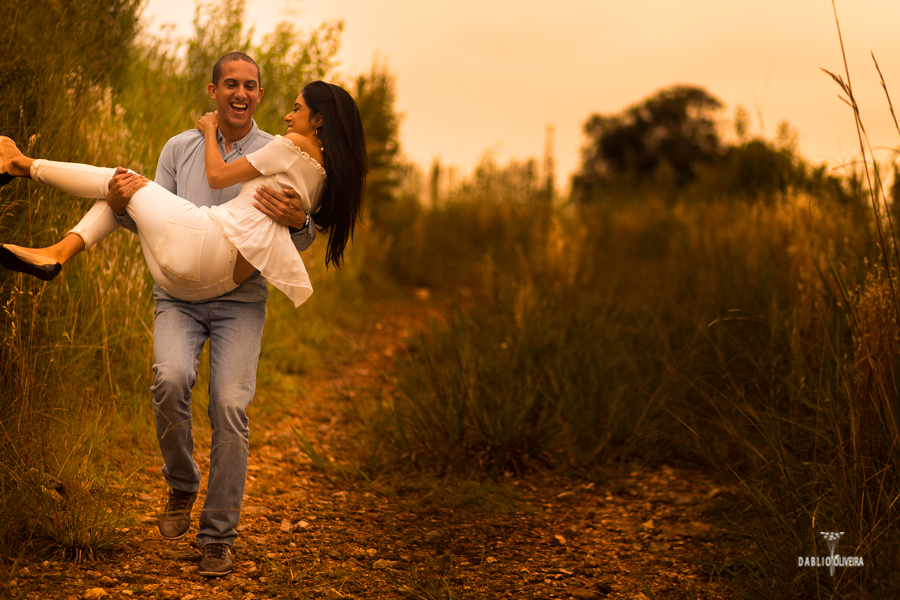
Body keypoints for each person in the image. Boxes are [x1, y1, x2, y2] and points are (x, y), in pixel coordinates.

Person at [0, 52, 366, 577]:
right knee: (168, 380)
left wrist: (301, 217)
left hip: (232, 291)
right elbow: (156, 220)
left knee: (230, 408)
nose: (245, 96)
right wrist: (135, 200)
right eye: (231, 86)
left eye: (256, 88)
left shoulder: (278, 145)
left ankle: (218, 537)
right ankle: (182, 481)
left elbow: (295, 229)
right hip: (181, 281)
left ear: (258, 95)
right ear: (214, 90)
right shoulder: (179, 149)